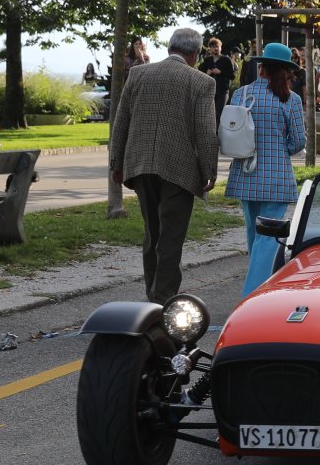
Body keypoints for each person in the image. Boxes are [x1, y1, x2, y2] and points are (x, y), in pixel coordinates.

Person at [109, 28, 219, 305]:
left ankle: (153, 296)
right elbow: (205, 131)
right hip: (179, 169)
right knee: (171, 237)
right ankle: (163, 300)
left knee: (152, 233)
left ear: (170, 47)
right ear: (195, 54)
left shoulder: (138, 74)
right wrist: (209, 169)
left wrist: (116, 163)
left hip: (140, 164)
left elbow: (121, 122)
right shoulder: (202, 81)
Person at [226, 43, 308, 297]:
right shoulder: (291, 99)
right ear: (286, 71)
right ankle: (253, 294)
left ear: (261, 67)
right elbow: (298, 141)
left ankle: (258, 288)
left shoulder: (241, 94)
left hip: (244, 172)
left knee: (254, 235)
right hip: (276, 176)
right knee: (268, 239)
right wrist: (280, 148)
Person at [197, 35, 237, 118]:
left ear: (220, 48)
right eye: (213, 47)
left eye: (217, 46)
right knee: (209, 115)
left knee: (219, 115)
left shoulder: (226, 60)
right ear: (210, 49)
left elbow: (232, 76)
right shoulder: (207, 60)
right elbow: (199, 72)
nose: (215, 48)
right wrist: (206, 73)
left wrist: (221, 72)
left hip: (222, 92)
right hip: (210, 91)